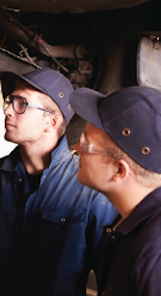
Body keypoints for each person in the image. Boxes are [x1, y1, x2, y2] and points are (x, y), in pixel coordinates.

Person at [0, 69, 117, 295]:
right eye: (10, 101)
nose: (7, 110)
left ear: (51, 121)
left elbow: (111, 276)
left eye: (21, 104)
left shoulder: (87, 187)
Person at [70, 86, 161, 295]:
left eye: (86, 143)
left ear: (119, 170)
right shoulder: (132, 229)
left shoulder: (154, 257)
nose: (76, 147)